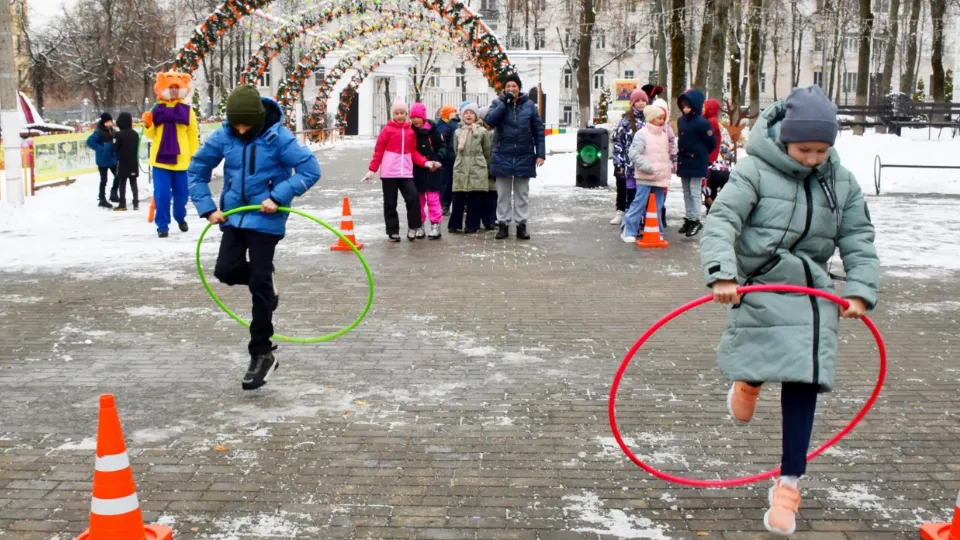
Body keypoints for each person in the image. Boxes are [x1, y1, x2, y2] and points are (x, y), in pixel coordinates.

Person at [700, 85, 879, 536]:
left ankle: (789, 484)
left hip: (815, 292)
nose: (813, 158)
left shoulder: (841, 182)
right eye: (805, 149)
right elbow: (722, 221)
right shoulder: (754, 172)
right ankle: (749, 381)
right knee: (769, 351)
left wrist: (859, 290)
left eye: (822, 150)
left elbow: (858, 239)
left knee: (806, 378)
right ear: (783, 138)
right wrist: (723, 275)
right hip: (759, 283)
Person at [188, 85, 322, 391]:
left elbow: (310, 170)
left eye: (246, 124)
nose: (241, 129)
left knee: (260, 281)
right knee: (224, 271)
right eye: (236, 124)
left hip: (266, 218)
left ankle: (261, 353)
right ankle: (264, 281)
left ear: (259, 119)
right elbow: (196, 171)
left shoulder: (279, 138)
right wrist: (208, 208)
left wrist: (278, 195)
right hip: (234, 216)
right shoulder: (224, 135)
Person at [363, 98, 439, 242]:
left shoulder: (410, 131)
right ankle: (393, 231)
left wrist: (425, 162)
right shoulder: (387, 130)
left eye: (402, 113)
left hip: (406, 172)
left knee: (413, 198)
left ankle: (413, 227)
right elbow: (378, 151)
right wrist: (372, 170)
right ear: (393, 114)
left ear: (406, 114)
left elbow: (414, 152)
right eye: (396, 113)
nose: (399, 116)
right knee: (390, 203)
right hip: (389, 173)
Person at [485, 73, 546, 240]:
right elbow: (490, 121)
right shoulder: (498, 103)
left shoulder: (529, 106)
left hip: (524, 155)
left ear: (519, 88)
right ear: (504, 89)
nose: (511, 89)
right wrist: (504, 104)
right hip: (502, 154)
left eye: (514, 86)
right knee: (503, 194)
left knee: (522, 193)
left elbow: (538, 131)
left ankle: (521, 225)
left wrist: (540, 154)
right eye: (508, 86)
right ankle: (503, 225)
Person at [142, 72, 200, 238]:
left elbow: (192, 133)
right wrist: (147, 124)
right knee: (162, 194)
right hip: (160, 161)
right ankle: (162, 225)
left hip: (182, 161)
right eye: (171, 87)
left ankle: (180, 217)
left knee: (182, 195)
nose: (174, 91)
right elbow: (151, 135)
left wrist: (194, 156)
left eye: (177, 87)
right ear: (163, 88)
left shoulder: (187, 110)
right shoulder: (156, 109)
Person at [619, 104, 672, 242]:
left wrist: (667, 167)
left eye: (663, 118)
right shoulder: (642, 134)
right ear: (651, 119)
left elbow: (665, 154)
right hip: (646, 176)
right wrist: (647, 167)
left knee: (658, 206)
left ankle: (656, 231)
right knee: (639, 203)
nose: (662, 121)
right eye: (659, 118)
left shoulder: (664, 134)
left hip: (660, 177)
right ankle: (628, 230)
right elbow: (634, 154)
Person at [676, 88, 717, 237]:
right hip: (685, 160)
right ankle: (689, 217)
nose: (685, 109)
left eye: (688, 105)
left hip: (697, 161)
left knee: (694, 192)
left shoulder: (702, 123)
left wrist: (702, 154)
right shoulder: (681, 121)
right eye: (683, 106)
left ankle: (696, 220)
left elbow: (711, 142)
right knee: (686, 192)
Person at [450, 102, 492, 234]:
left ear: (476, 116)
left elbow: (487, 151)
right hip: (461, 166)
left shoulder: (482, 131)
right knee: (458, 196)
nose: (469, 115)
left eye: (472, 113)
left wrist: (484, 165)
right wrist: (461, 161)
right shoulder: (457, 131)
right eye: (466, 113)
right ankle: (455, 224)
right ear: (462, 115)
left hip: (477, 167)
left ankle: (472, 225)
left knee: (475, 197)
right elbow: (456, 149)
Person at [409, 103, 447, 240]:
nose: (415, 120)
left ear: (423, 117)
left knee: (433, 199)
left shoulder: (433, 130)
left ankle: (435, 225)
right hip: (416, 170)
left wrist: (437, 159)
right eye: (413, 117)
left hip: (432, 170)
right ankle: (419, 225)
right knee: (417, 200)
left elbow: (442, 146)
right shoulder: (410, 131)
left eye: (418, 117)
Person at [610, 89, 648, 225]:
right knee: (630, 192)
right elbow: (618, 142)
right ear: (632, 102)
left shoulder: (650, 119)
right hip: (629, 164)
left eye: (643, 100)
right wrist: (618, 163)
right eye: (638, 101)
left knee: (643, 192)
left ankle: (644, 218)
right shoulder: (626, 121)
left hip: (645, 163)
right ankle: (629, 217)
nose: (641, 103)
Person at [87, 112, 118, 209]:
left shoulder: (113, 131)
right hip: (103, 160)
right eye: (108, 121)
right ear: (104, 122)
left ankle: (113, 193)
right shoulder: (98, 132)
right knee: (104, 180)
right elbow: (90, 141)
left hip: (113, 159)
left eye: (111, 121)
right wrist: (101, 148)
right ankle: (102, 199)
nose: (110, 123)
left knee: (118, 175)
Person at [111, 112, 140, 211]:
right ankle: (136, 203)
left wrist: (114, 139)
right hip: (133, 162)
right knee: (133, 182)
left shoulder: (118, 135)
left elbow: (114, 148)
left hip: (122, 162)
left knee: (122, 183)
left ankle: (122, 204)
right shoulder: (135, 134)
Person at [477, 106, 498, 231]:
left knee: (493, 195)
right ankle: (485, 219)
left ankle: (491, 219)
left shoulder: (495, 131)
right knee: (484, 195)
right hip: (482, 167)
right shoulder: (480, 132)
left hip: (493, 167)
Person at [437, 105, 460, 215]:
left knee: (449, 182)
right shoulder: (444, 126)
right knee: (446, 183)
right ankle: (444, 204)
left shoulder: (452, 124)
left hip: (453, 158)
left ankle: (447, 204)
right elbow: (442, 142)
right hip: (448, 159)